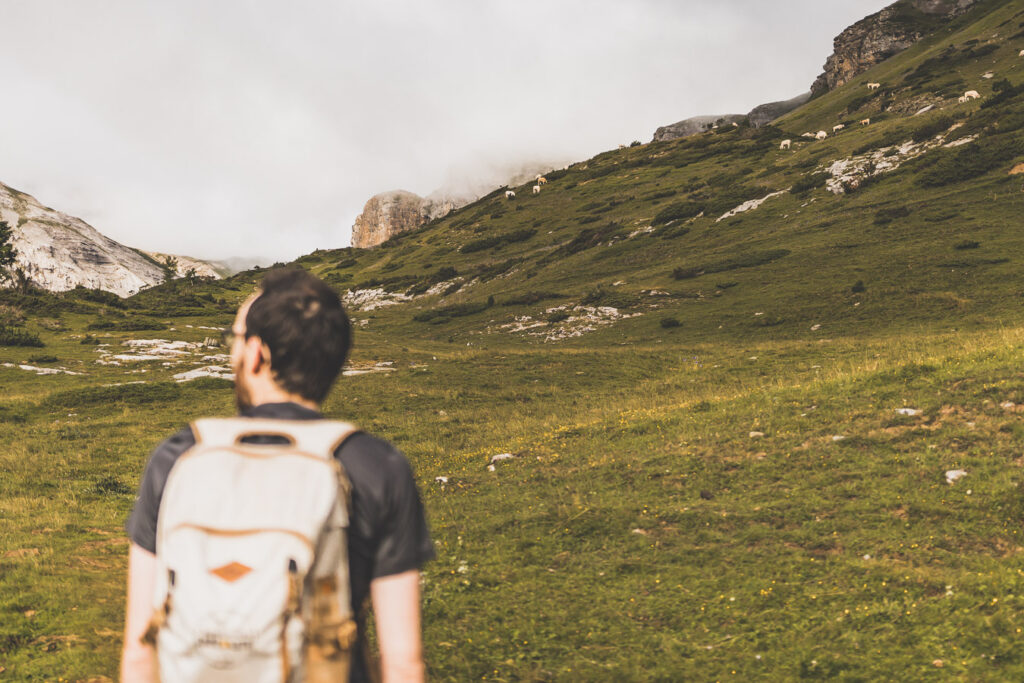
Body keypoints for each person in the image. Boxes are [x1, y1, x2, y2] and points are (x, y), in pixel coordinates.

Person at [121, 268, 434, 682]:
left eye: (234, 339)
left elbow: (140, 646)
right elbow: (403, 662)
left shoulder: (178, 455)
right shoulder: (375, 464)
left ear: (256, 353)